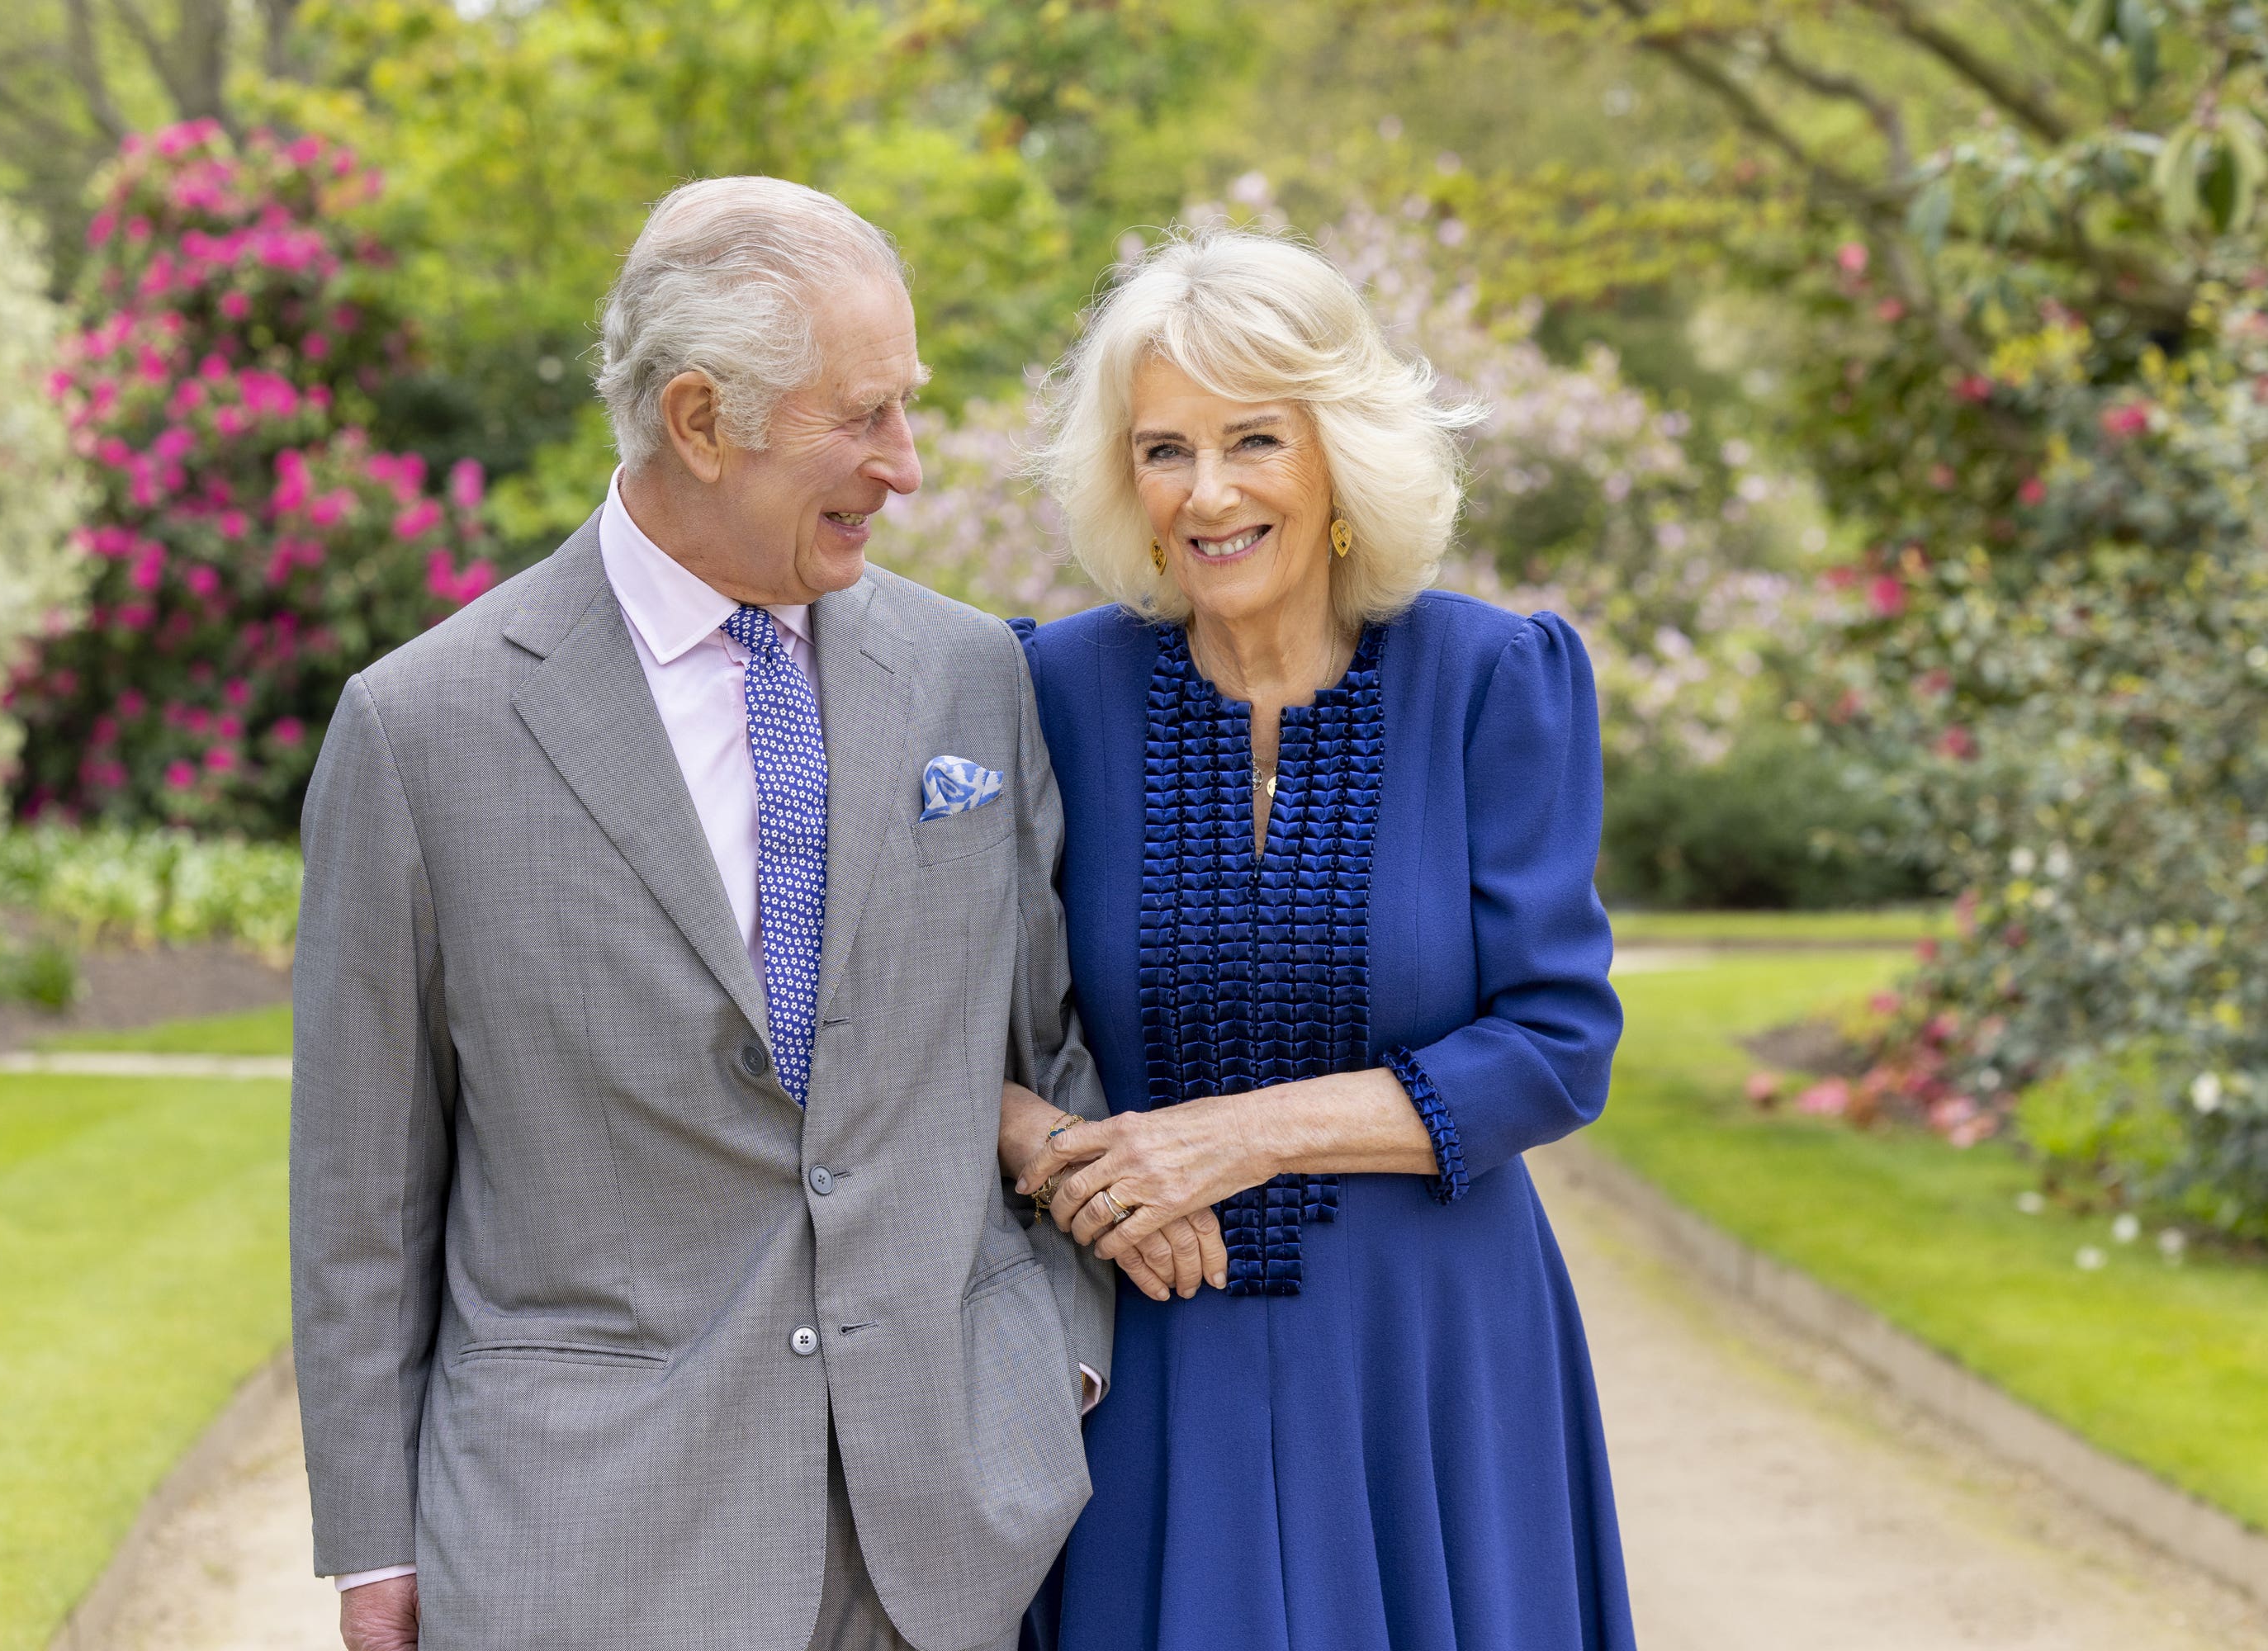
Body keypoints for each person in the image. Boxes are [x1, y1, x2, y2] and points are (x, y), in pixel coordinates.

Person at [291, 177, 1188, 1651]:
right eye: (864, 416)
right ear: (701, 421)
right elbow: (362, 1192)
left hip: (943, 1529)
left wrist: (1053, 1365)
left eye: (906, 407)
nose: (906, 466)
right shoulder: (420, 732)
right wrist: (372, 1543)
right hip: (579, 1548)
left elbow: (1047, 1039)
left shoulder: (972, 678)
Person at [1001, 227, 1636, 1650]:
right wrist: (1054, 1155)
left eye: (1253, 440)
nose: (1209, 492)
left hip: (1436, 1362)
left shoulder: (1495, 679)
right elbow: (919, 1021)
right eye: (1164, 449)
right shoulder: (1042, 689)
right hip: (1152, 1345)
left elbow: (1555, 1049)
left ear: (1338, 453)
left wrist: (1240, 1137)